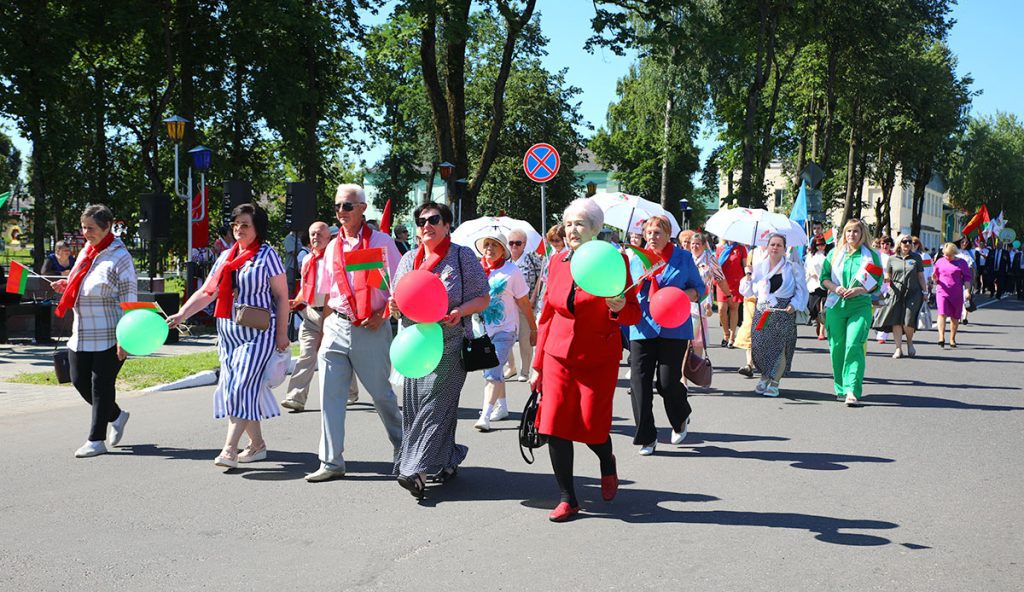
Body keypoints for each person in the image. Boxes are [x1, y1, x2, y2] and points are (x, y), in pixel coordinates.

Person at [530, 198, 641, 522]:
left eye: (580, 223)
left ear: (595, 228)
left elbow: (633, 314)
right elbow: (548, 313)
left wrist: (618, 307)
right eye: (568, 224)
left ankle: (607, 461)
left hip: (597, 357)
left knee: (593, 427)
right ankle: (568, 498)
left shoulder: (614, 259)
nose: (572, 230)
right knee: (554, 426)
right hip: (558, 356)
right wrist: (537, 365)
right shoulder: (558, 261)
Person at [167, 203, 289, 467]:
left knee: (240, 387)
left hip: (259, 334)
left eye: (245, 224)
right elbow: (207, 292)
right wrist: (181, 314)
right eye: (236, 224)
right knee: (239, 388)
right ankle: (257, 446)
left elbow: (282, 297)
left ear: (258, 228)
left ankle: (229, 449)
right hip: (229, 334)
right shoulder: (226, 257)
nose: (239, 229)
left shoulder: (267, 255)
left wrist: (282, 334)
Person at [303, 184, 404, 483]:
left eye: (347, 206)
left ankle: (405, 448)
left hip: (370, 328)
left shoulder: (383, 242)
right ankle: (331, 461)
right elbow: (328, 292)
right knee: (330, 396)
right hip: (337, 325)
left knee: (381, 395)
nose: (341, 212)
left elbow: (398, 286)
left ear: (362, 208)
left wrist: (382, 314)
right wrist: (323, 329)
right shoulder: (332, 246)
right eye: (337, 207)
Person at [389, 202, 490, 498]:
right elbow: (399, 303)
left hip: (450, 343)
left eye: (434, 219)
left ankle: (414, 471)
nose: (426, 226)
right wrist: (395, 307)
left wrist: (460, 310)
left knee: (435, 406)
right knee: (417, 407)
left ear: (447, 225)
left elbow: (483, 297)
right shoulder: (409, 259)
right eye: (421, 221)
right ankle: (447, 459)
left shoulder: (461, 256)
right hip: (415, 346)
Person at [50, 205, 137, 458]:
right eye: (83, 227)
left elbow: (129, 299)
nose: (86, 233)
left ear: (107, 227)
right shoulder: (88, 251)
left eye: (91, 228)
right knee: (78, 381)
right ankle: (117, 415)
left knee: (101, 385)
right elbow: (85, 281)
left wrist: (125, 337)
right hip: (82, 332)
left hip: (109, 332)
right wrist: (67, 285)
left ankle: (96, 440)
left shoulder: (120, 257)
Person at [629, 216, 703, 455]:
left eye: (657, 232)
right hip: (642, 326)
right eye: (648, 233)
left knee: (667, 382)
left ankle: (681, 415)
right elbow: (624, 289)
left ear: (668, 234)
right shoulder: (635, 259)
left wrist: (685, 296)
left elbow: (699, 288)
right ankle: (647, 437)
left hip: (674, 327)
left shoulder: (683, 258)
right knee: (639, 383)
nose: (652, 237)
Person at [474, 231, 537, 431]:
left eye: (494, 245)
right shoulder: (478, 271)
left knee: (492, 371)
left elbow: (524, 303)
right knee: (493, 370)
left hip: (505, 330)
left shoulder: (512, 271)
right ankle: (501, 407)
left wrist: (533, 328)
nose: (489, 249)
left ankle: (485, 415)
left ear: (503, 251)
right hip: (482, 331)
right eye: (486, 245)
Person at [820, 218, 882, 406]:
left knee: (854, 345)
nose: (852, 235)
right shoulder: (835, 253)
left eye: (855, 231)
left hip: (860, 305)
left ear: (862, 234)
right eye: (848, 231)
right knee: (837, 347)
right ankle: (840, 386)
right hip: (836, 305)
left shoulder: (871, 255)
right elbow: (824, 278)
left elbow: (877, 282)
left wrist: (860, 290)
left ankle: (852, 390)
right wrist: (835, 288)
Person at [739, 233, 808, 397]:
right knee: (760, 347)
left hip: (783, 311)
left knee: (779, 349)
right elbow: (748, 291)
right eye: (772, 245)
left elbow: (802, 291)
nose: (775, 248)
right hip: (762, 310)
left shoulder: (792, 267)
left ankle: (775, 381)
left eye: (779, 245)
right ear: (767, 247)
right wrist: (748, 276)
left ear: (785, 249)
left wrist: (795, 304)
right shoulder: (759, 267)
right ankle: (764, 375)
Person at [280, 222, 331, 412]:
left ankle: (351, 392)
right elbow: (307, 287)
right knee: (306, 355)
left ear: (328, 238)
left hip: (332, 316)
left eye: (319, 234)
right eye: (312, 234)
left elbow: (332, 294)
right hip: (310, 314)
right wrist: (297, 301)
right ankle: (296, 397)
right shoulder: (308, 259)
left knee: (339, 357)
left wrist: (326, 324)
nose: (315, 237)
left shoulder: (334, 260)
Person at [873, 234, 926, 358]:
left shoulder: (916, 258)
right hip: (895, 292)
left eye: (909, 241)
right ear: (899, 244)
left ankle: (909, 342)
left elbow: (920, 276)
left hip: (913, 293)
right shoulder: (892, 259)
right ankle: (898, 348)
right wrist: (885, 279)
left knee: (908, 321)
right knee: (896, 320)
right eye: (904, 241)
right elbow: (888, 276)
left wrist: (925, 292)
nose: (907, 243)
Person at [503, 228, 543, 383]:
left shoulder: (532, 259)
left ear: (524, 244)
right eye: (511, 243)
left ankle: (525, 371)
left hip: (526, 305)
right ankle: (510, 367)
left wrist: (533, 297)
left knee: (525, 339)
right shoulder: (506, 262)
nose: (514, 246)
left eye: (517, 243)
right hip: (508, 306)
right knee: (505, 338)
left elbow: (542, 277)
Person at [688, 232, 730, 360]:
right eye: (693, 244)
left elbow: (720, 278)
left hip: (702, 302)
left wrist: (728, 295)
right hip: (685, 301)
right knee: (686, 338)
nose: (695, 246)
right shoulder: (686, 258)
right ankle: (683, 370)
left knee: (697, 338)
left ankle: (696, 364)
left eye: (698, 244)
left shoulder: (710, 259)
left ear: (703, 246)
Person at [735, 244, 767, 377]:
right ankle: (749, 364)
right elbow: (747, 271)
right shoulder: (753, 252)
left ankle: (764, 363)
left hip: (767, 299)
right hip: (751, 297)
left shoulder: (775, 252)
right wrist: (748, 273)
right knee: (749, 328)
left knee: (763, 331)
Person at [934, 242, 973, 348]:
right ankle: (941, 337)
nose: (947, 257)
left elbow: (967, 279)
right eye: (945, 254)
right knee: (942, 313)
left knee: (955, 316)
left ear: (954, 253)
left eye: (949, 255)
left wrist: (968, 291)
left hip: (956, 292)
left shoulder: (962, 263)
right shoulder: (940, 262)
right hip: (942, 291)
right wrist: (933, 278)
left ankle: (952, 338)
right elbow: (936, 278)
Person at [715, 240, 747, 348]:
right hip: (722, 282)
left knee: (734, 308)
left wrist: (748, 274)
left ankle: (732, 337)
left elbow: (745, 265)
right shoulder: (720, 248)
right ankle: (726, 334)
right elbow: (715, 266)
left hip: (736, 282)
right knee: (721, 309)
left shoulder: (741, 249)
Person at [805, 236, 829, 340]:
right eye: (818, 245)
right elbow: (806, 268)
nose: (821, 247)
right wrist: (810, 273)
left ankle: (822, 331)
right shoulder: (810, 256)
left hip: (824, 284)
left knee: (823, 307)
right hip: (813, 284)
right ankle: (818, 322)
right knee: (812, 308)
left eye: (822, 244)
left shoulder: (827, 256)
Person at [873, 236, 895, 344]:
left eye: (887, 244)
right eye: (882, 244)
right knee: (877, 308)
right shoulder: (877, 255)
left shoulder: (894, 256)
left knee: (885, 309)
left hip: (890, 287)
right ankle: (877, 326)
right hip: (878, 286)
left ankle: (882, 335)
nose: (885, 246)